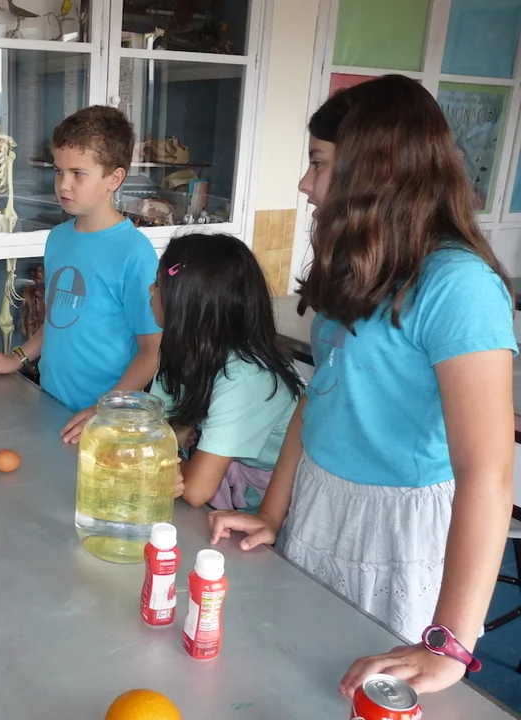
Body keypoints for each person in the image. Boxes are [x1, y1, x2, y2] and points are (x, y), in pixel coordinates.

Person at [209, 75, 516, 696]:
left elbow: (487, 472)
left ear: (372, 172)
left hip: (396, 523)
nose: (305, 184)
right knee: (298, 669)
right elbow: (318, 399)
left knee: (364, 691)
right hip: (321, 497)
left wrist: (450, 642)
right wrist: (273, 512)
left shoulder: (457, 285)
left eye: (319, 164)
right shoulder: (365, 265)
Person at [0, 106, 161, 443]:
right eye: (59, 171)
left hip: (105, 423)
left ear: (114, 179)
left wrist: (106, 411)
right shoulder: (58, 238)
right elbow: (60, 317)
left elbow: (151, 351)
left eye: (78, 173)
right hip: (51, 403)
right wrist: (17, 358)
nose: (63, 184)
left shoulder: (134, 253)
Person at [148, 233, 303, 512]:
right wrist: (174, 437)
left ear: (187, 305)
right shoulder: (179, 349)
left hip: (271, 501)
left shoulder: (245, 377)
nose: (150, 290)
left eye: (158, 284)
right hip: (218, 476)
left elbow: (194, 489)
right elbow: (153, 429)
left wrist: (174, 443)